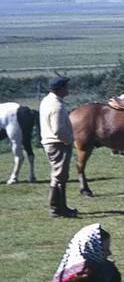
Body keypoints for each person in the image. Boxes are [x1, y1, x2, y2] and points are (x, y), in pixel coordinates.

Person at [39, 76, 77, 218]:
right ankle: (57, 208)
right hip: (58, 143)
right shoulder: (57, 106)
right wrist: (70, 140)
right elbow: (58, 130)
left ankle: (60, 206)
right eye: (66, 87)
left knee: (58, 175)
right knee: (59, 176)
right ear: (60, 89)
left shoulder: (47, 101)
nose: (68, 89)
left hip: (51, 143)